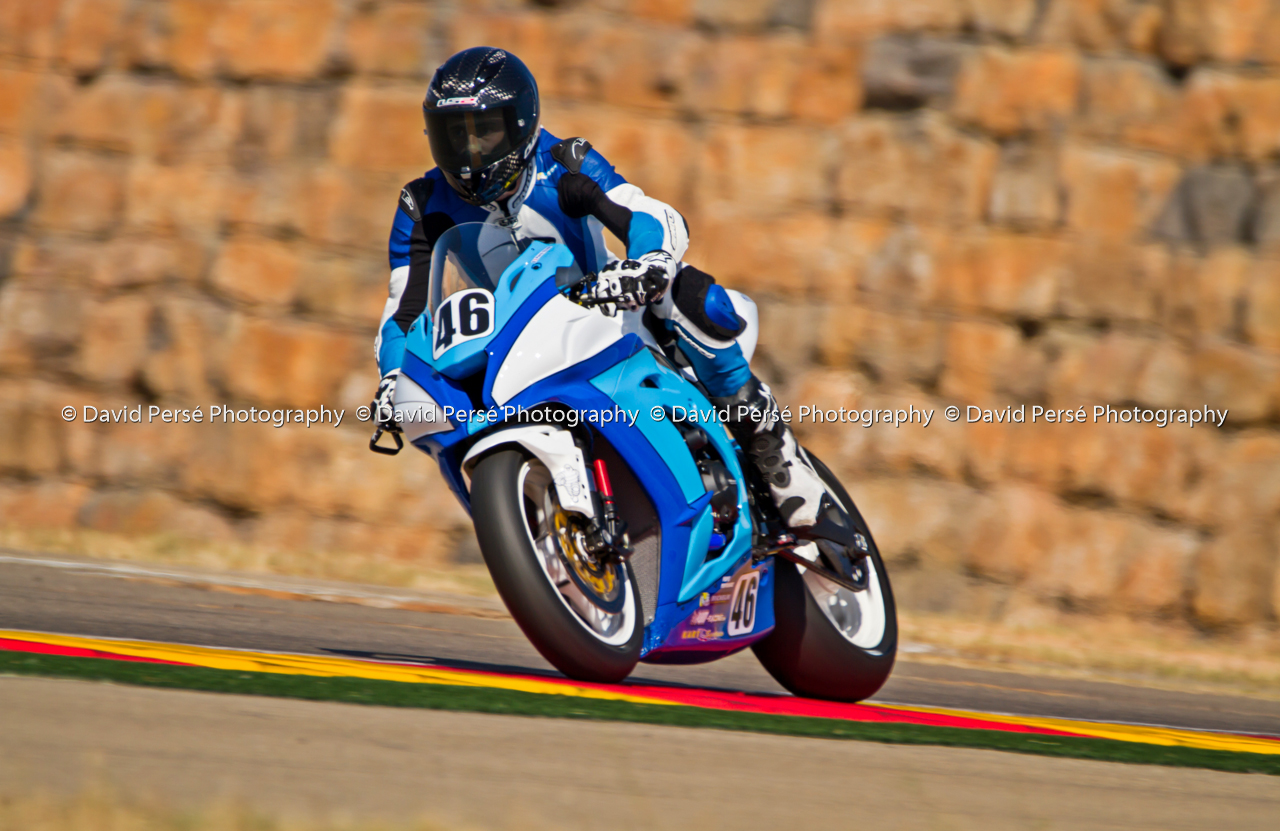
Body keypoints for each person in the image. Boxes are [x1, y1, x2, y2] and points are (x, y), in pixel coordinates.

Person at [372, 46, 840, 531]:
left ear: (520, 123)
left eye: (484, 132)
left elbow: (643, 212)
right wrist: (391, 378)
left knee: (688, 294)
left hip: (602, 310)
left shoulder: (563, 163)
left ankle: (773, 453)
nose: (471, 155)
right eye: (454, 137)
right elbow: (403, 311)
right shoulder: (422, 204)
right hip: (500, 349)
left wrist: (649, 263)